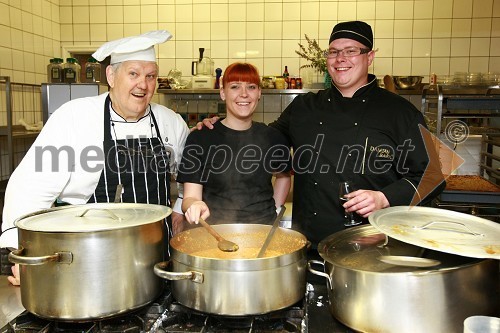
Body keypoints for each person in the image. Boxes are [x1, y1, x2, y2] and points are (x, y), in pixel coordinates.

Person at [201, 21, 445, 250]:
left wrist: (384, 197)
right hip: (309, 244)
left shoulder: (399, 112)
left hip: (372, 246)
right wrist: (221, 126)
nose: (341, 59)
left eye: (351, 51)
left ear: (369, 57)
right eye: (333, 52)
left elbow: (434, 175)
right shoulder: (305, 106)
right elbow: (261, 140)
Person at [0, 30, 190, 285]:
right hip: (89, 262)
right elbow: (30, 187)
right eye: (133, 74)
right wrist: (16, 251)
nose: (142, 85)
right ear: (111, 76)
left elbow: (192, 174)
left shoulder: (170, 121)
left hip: (158, 259)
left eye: (150, 76)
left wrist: (179, 211)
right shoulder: (74, 118)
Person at [178, 62, 291, 226]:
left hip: (263, 233)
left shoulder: (273, 137)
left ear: (259, 93)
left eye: (251, 87)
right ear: (223, 93)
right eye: (235, 87)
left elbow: (284, 176)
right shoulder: (200, 138)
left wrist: (273, 210)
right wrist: (194, 205)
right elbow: (190, 197)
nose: (244, 94)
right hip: (214, 233)